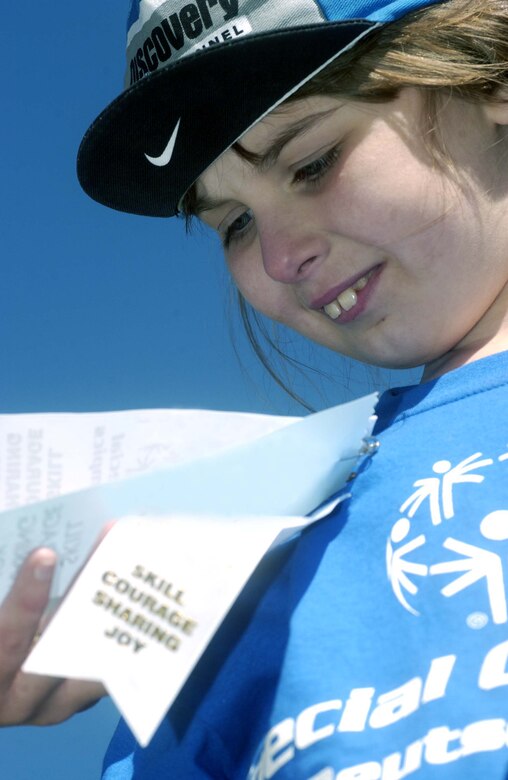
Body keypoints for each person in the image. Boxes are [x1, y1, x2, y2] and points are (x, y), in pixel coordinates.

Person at [1, 0, 508, 776]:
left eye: (310, 162)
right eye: (233, 223)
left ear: (487, 79)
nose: (278, 257)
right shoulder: (232, 555)